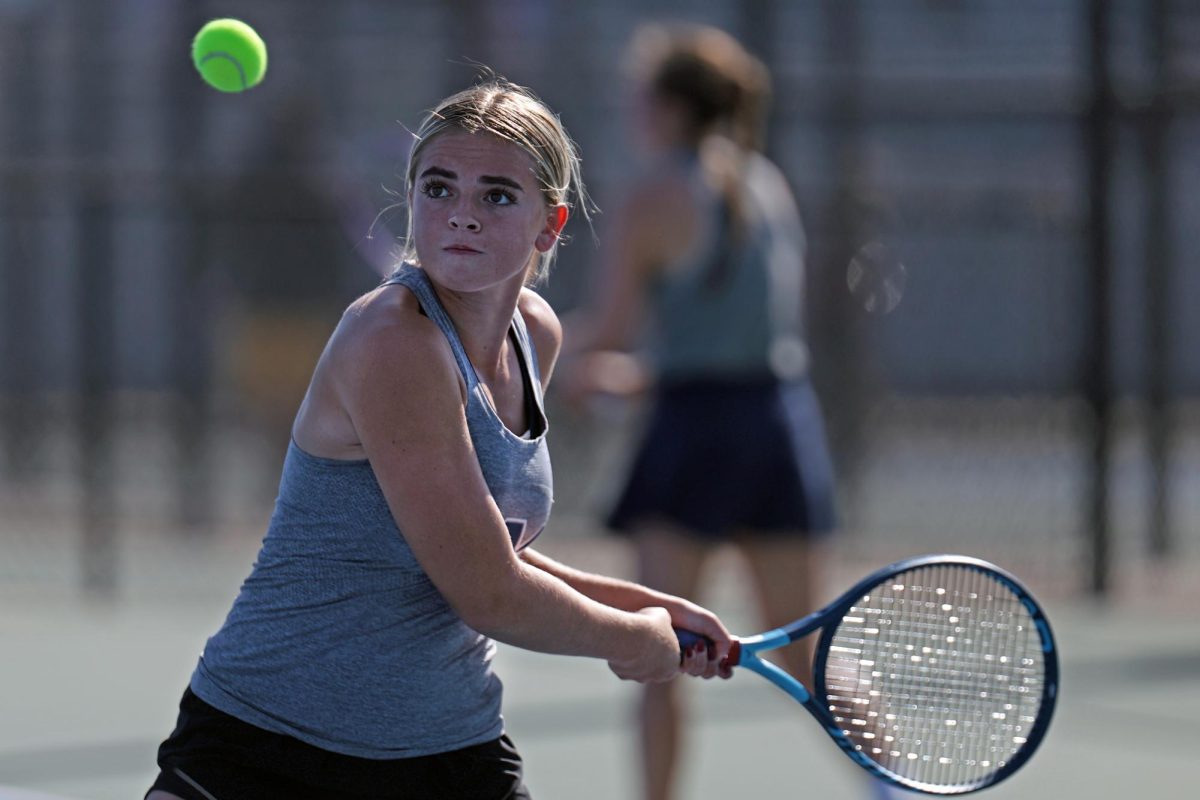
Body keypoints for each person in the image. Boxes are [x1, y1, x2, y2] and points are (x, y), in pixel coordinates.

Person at [145, 77, 736, 800]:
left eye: (496, 195)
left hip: (448, 755)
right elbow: (486, 591)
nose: (462, 215)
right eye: (438, 188)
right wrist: (631, 638)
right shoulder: (392, 340)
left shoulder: (534, 335)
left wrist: (646, 606)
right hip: (265, 754)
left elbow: (491, 547)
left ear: (549, 226)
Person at [558, 24, 838, 800]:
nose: (632, 111)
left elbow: (609, 331)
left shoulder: (653, 194)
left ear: (673, 107)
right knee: (806, 654)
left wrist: (527, 349)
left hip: (695, 440)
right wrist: (636, 375)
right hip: (779, 426)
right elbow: (732, 348)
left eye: (641, 97)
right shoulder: (767, 184)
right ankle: (898, 786)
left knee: (658, 655)